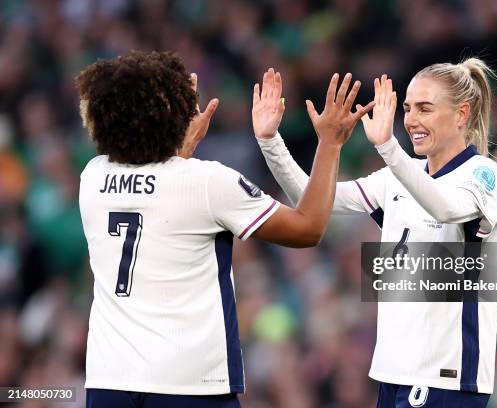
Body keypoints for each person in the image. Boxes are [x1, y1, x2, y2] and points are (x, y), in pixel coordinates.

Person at [76, 51, 374, 408]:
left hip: (109, 380)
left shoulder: (92, 177)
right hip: (189, 384)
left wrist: (179, 146)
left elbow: (158, 189)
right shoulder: (207, 182)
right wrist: (330, 142)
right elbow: (308, 229)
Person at [254, 59, 497, 407]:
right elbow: (312, 199)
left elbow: (445, 208)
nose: (412, 120)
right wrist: (270, 140)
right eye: (407, 108)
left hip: (445, 379)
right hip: (393, 375)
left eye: (425, 109)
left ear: (461, 114)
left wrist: (388, 147)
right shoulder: (395, 179)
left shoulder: (483, 175)